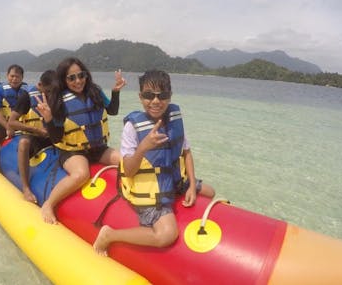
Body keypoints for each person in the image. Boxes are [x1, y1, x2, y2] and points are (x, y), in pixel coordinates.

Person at [93, 70, 215, 256]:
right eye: (149, 95)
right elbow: (130, 170)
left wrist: (191, 186)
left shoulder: (174, 119)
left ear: (170, 96)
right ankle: (110, 235)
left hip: (173, 181)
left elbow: (187, 153)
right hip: (149, 190)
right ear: (140, 97)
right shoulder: (132, 128)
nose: (156, 101)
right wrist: (143, 148)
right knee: (167, 235)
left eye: (162, 95)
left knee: (210, 191)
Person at [35, 57, 126, 224]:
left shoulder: (95, 92)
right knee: (81, 175)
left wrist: (116, 91)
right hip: (72, 151)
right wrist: (48, 119)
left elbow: (112, 111)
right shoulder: (59, 101)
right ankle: (49, 204)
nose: (78, 81)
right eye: (71, 78)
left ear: (86, 75)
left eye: (81, 75)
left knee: (127, 162)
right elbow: (56, 138)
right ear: (64, 80)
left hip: (98, 148)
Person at [7, 70, 57, 203]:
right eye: (49, 91)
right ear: (40, 85)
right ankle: (26, 187)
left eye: (54, 91)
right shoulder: (27, 96)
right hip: (34, 137)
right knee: (23, 143)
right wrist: (36, 129)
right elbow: (11, 122)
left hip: (54, 137)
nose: (51, 94)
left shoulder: (58, 96)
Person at [0, 64, 27, 171]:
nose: (14, 79)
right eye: (12, 76)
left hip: (22, 123)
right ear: (7, 76)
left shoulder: (28, 90)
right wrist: (8, 127)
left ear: (22, 78)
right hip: (4, 123)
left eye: (17, 76)